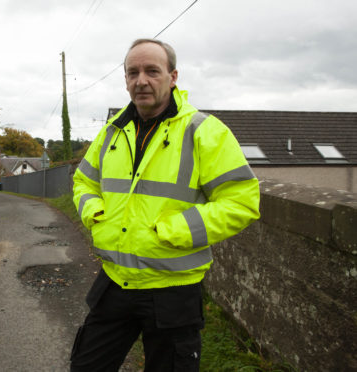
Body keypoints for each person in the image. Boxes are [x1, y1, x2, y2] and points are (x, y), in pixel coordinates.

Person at [70, 39, 260, 371]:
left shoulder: (203, 132)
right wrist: (94, 212)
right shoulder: (112, 133)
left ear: (172, 77)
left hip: (173, 290)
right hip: (116, 281)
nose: (141, 80)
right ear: (126, 80)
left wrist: (175, 229)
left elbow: (241, 202)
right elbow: (84, 182)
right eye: (133, 73)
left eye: (151, 71)